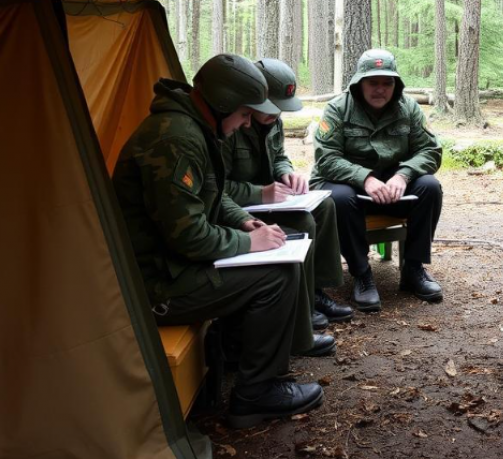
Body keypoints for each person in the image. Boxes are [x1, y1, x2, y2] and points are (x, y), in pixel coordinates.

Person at [112, 53, 324, 426]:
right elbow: (189, 236)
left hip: (172, 268)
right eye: (244, 114)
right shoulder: (176, 140)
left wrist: (244, 223)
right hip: (155, 286)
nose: (246, 124)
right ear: (223, 104)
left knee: (283, 250)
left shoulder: (191, 129)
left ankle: (247, 356)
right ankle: (255, 394)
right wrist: (248, 244)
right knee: (276, 276)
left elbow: (214, 192)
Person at [223, 58, 351, 352]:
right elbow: (217, 187)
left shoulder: (272, 121)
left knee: (324, 206)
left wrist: (286, 172)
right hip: (245, 205)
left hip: (271, 198)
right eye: (271, 106)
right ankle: (301, 307)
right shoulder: (230, 124)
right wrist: (259, 193)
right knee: (304, 222)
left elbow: (278, 153)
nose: (276, 113)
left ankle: (317, 289)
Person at [310, 49, 443, 311]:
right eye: (373, 82)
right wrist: (365, 178)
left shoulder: (409, 108)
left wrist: (403, 176)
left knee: (429, 187)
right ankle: (361, 274)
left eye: (387, 83)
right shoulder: (338, 108)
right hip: (348, 189)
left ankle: (413, 269)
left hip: (392, 190)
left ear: (396, 84)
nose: (380, 89)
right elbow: (326, 159)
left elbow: (430, 150)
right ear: (360, 82)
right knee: (339, 198)